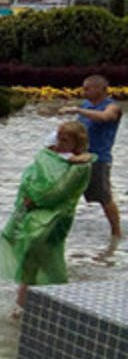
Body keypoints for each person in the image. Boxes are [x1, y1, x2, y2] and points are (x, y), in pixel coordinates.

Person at [0, 121, 94, 310]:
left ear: (77, 143)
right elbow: (32, 176)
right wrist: (29, 197)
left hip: (57, 216)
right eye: (59, 139)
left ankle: (39, 302)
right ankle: (28, 303)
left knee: (40, 253)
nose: (59, 144)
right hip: (37, 211)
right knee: (32, 253)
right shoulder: (52, 156)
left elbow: (58, 192)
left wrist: (34, 199)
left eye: (65, 140)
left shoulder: (80, 166)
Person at [61, 74, 122, 237]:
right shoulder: (86, 104)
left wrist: (78, 110)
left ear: (100, 89)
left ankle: (116, 231)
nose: (84, 91)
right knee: (65, 193)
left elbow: (105, 117)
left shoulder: (112, 107)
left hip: (99, 159)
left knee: (103, 196)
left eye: (87, 88)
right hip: (78, 158)